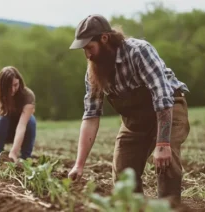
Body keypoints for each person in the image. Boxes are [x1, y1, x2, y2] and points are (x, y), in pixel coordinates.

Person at [67, 14, 190, 203]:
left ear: (105, 39)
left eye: (90, 48)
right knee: (123, 173)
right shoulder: (94, 72)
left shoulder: (139, 51)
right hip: (135, 120)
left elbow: (162, 95)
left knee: (167, 160)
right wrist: (79, 164)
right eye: (84, 50)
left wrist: (162, 144)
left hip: (169, 108)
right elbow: (91, 115)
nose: (88, 55)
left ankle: (169, 206)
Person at [0, 66, 36, 162]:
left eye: (15, 85)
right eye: (8, 87)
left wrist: (13, 152)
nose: (13, 89)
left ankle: (25, 158)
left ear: (20, 82)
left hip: (22, 131)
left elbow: (22, 125)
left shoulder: (28, 95)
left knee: (31, 121)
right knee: (2, 118)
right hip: (5, 130)